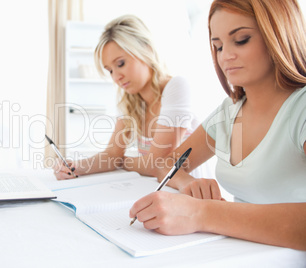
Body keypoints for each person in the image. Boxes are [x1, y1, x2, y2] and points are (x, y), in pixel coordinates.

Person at [129, 0, 306, 250]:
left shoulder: (301, 110)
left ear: (279, 33)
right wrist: (186, 183)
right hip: (236, 251)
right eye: (218, 46)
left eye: (242, 39)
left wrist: (201, 213)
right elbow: (166, 164)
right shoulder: (228, 112)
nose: (225, 57)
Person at [54, 15, 210, 180]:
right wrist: (76, 167)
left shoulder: (177, 87)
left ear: (146, 50)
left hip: (191, 194)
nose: (116, 77)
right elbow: (112, 153)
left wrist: (119, 161)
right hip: (163, 193)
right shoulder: (130, 100)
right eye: (110, 70)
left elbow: (156, 165)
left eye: (120, 64)